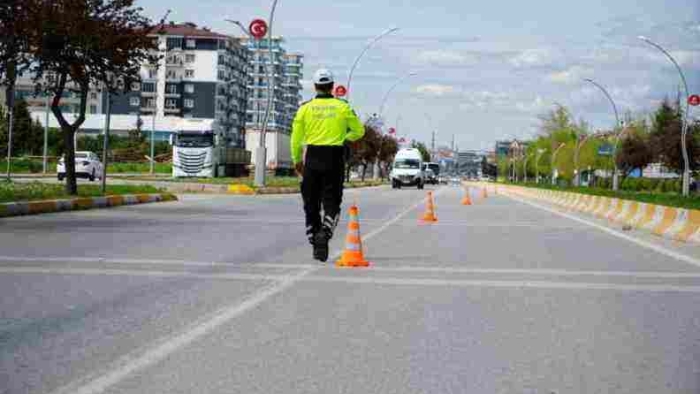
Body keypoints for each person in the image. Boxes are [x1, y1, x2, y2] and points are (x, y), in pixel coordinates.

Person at [290, 68, 365, 262]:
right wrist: (343, 138)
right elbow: (359, 131)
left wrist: (297, 160)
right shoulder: (342, 107)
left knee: (310, 202)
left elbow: (295, 139)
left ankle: (315, 240)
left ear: (315, 87)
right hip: (334, 157)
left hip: (313, 157)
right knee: (332, 201)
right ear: (332, 87)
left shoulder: (305, 108)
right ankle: (325, 231)